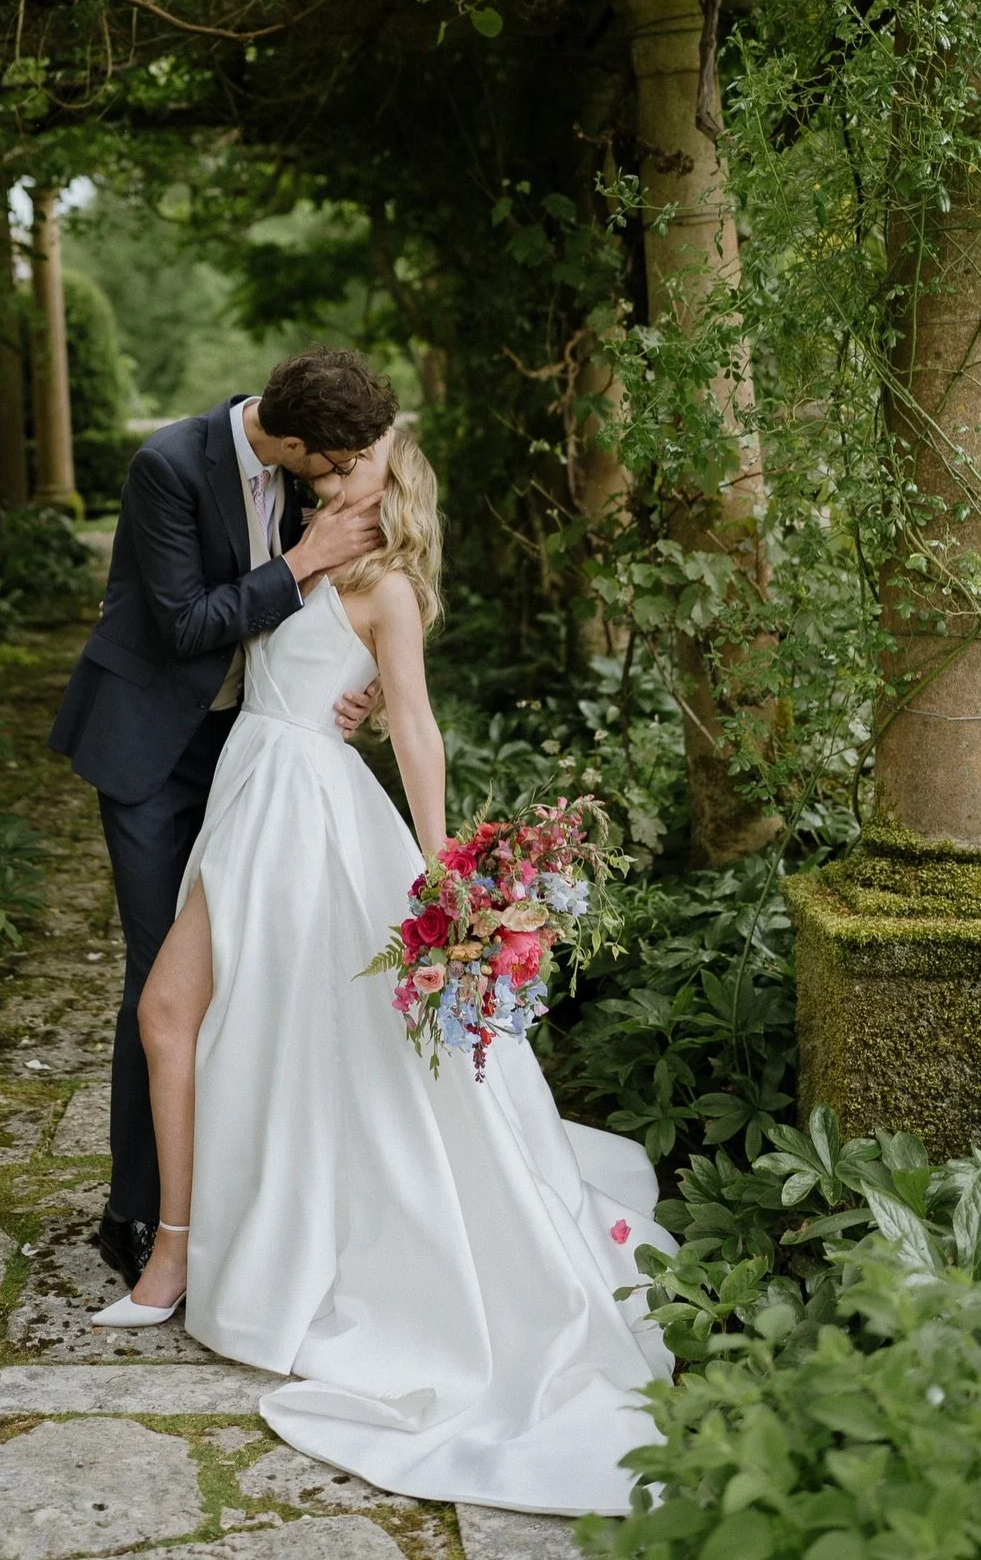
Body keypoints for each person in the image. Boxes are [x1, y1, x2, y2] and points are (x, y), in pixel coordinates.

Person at [93, 426, 673, 1516]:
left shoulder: (389, 588)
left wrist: (446, 872)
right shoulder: (296, 541)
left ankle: (184, 1257)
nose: (330, 466)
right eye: (329, 457)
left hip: (307, 820)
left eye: (354, 459)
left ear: (389, 477)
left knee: (221, 1022)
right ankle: (182, 1250)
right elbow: (230, 633)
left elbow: (416, 727)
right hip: (252, 797)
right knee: (189, 1020)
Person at [49, 349, 399, 1287]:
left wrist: (362, 675)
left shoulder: (307, 463)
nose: (339, 483)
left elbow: (330, 600)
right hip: (149, 751)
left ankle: (233, 1195)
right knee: (160, 974)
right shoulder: (168, 465)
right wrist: (305, 559)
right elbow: (187, 624)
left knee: (251, 969)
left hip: (246, 749)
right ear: (291, 442)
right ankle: (135, 1210)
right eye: (333, 464)